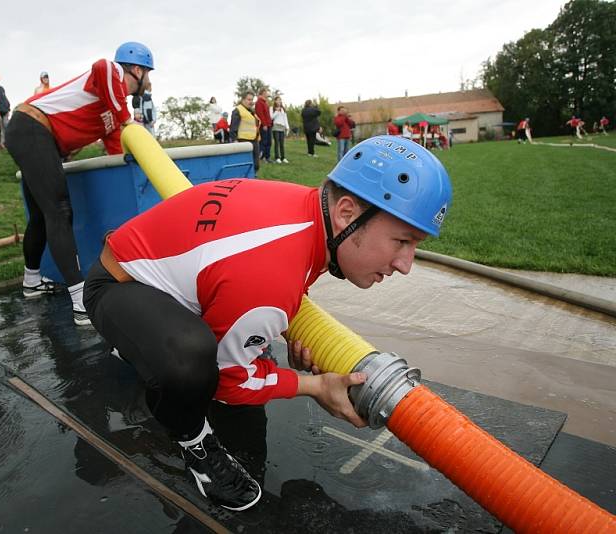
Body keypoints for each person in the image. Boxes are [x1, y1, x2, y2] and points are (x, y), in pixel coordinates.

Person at [82, 134, 453, 511]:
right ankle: (193, 441)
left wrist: (267, 326)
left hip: (151, 271)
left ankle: (147, 345)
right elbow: (230, 383)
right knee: (191, 365)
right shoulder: (271, 276)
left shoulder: (306, 209)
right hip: (117, 287)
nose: (405, 264)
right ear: (346, 213)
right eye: (402, 241)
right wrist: (315, 385)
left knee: (232, 347)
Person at [5, 41, 154, 326]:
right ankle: (80, 302)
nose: (149, 81)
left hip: (33, 134)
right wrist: (126, 120)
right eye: (148, 73)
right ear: (136, 69)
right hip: (32, 128)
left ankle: (31, 282)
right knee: (60, 211)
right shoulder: (110, 73)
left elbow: (115, 150)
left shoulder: (111, 114)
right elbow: (102, 66)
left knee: (41, 214)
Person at [229, 91, 260, 171]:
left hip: (254, 140)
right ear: (243, 100)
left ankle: (253, 178)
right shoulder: (238, 110)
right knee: (245, 164)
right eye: (249, 99)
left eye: (252, 100)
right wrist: (235, 140)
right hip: (243, 141)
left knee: (256, 164)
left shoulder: (251, 111)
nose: (251, 102)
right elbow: (233, 127)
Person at [255, 87, 272, 163]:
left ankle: (267, 157)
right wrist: (264, 124)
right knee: (263, 142)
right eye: (266, 92)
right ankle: (262, 157)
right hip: (263, 125)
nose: (267, 94)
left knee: (269, 141)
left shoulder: (265, 102)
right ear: (262, 93)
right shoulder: (259, 102)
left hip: (268, 125)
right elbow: (260, 114)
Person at [270, 94, 289, 163]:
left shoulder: (283, 109)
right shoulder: (272, 108)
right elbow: (271, 117)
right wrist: (277, 111)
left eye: (280, 100)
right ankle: (277, 157)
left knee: (282, 143)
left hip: (282, 127)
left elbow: (285, 119)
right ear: (275, 101)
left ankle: (283, 157)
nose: (279, 101)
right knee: (277, 143)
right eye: (277, 100)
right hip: (276, 127)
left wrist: (287, 127)